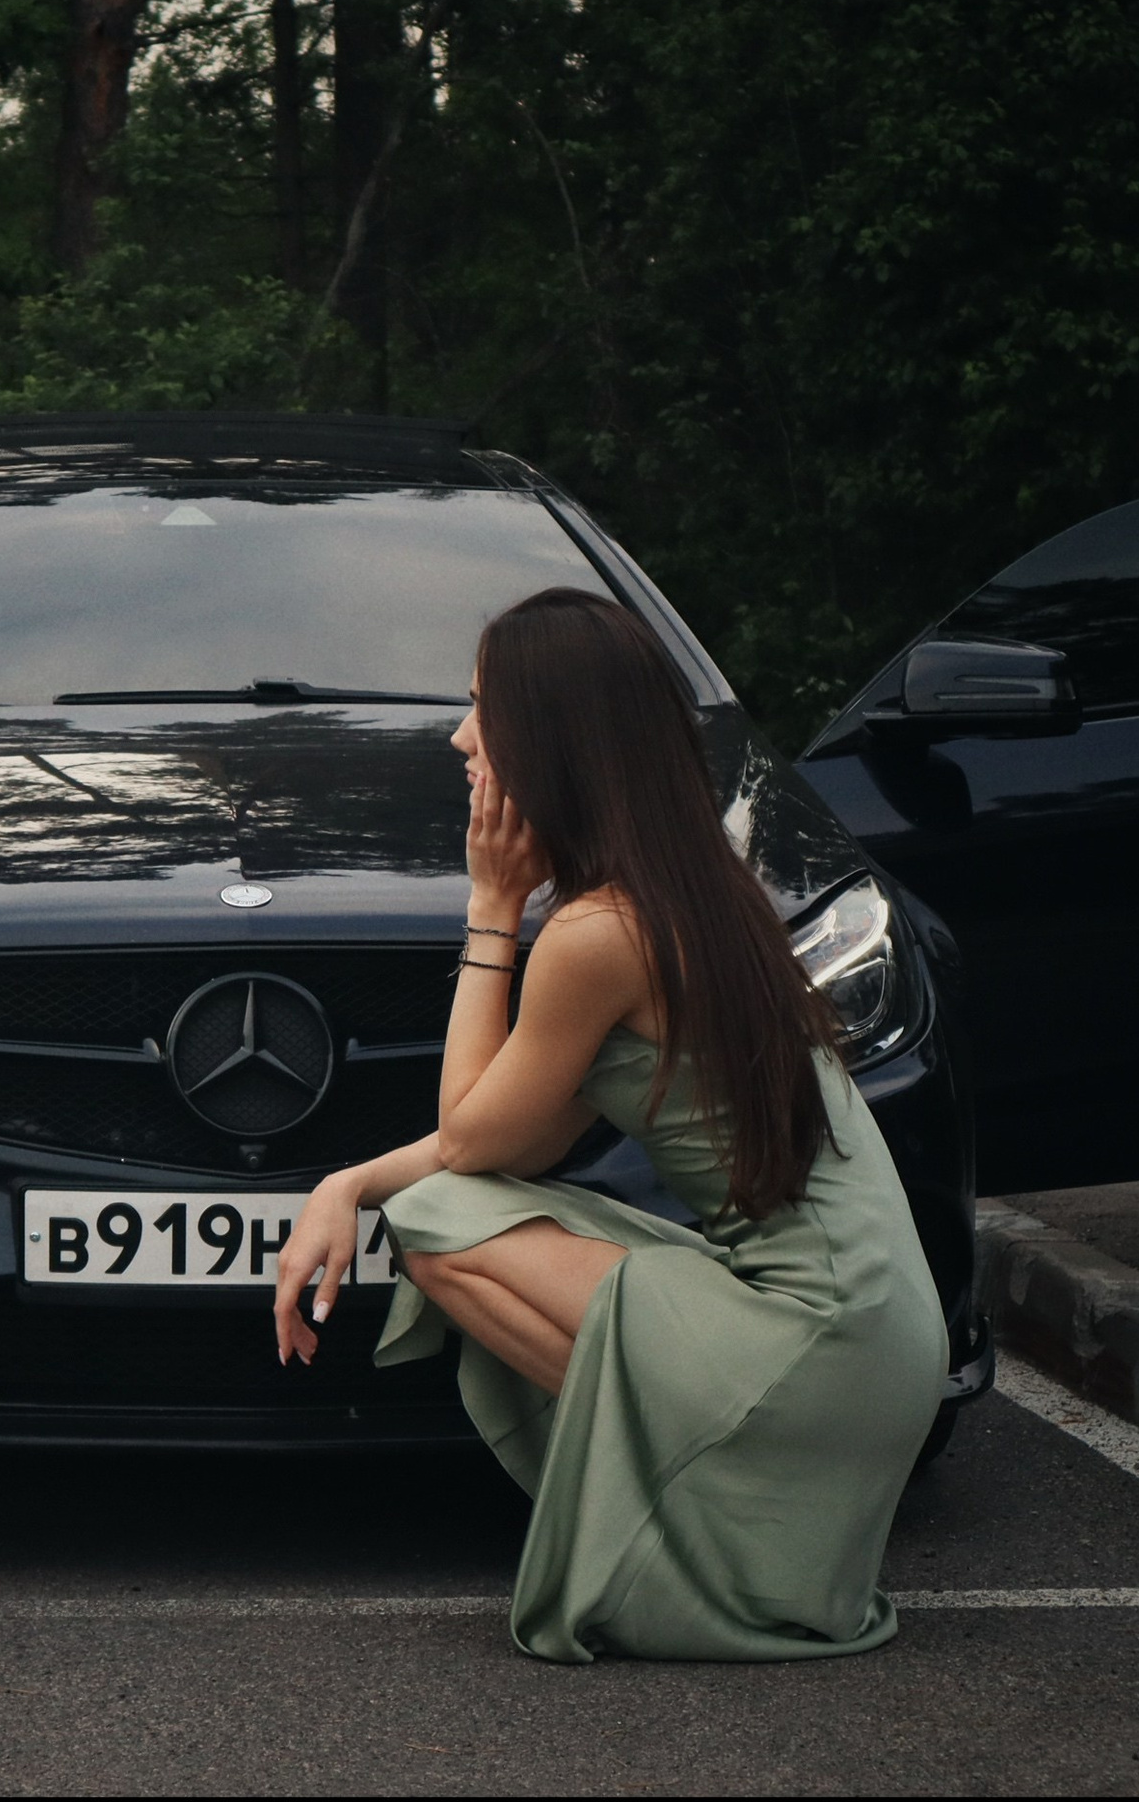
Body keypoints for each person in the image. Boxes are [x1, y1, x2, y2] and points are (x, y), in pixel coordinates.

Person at [272, 588, 946, 1663]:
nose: (460, 739)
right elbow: (517, 1144)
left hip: (817, 1344)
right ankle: (695, 1505)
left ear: (553, 739)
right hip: (877, 1337)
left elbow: (465, 1145)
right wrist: (346, 1183)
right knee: (455, 1202)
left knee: (439, 1225)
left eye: (483, 709)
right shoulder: (691, 896)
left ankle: (672, 1519)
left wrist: (491, 910)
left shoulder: (598, 936)